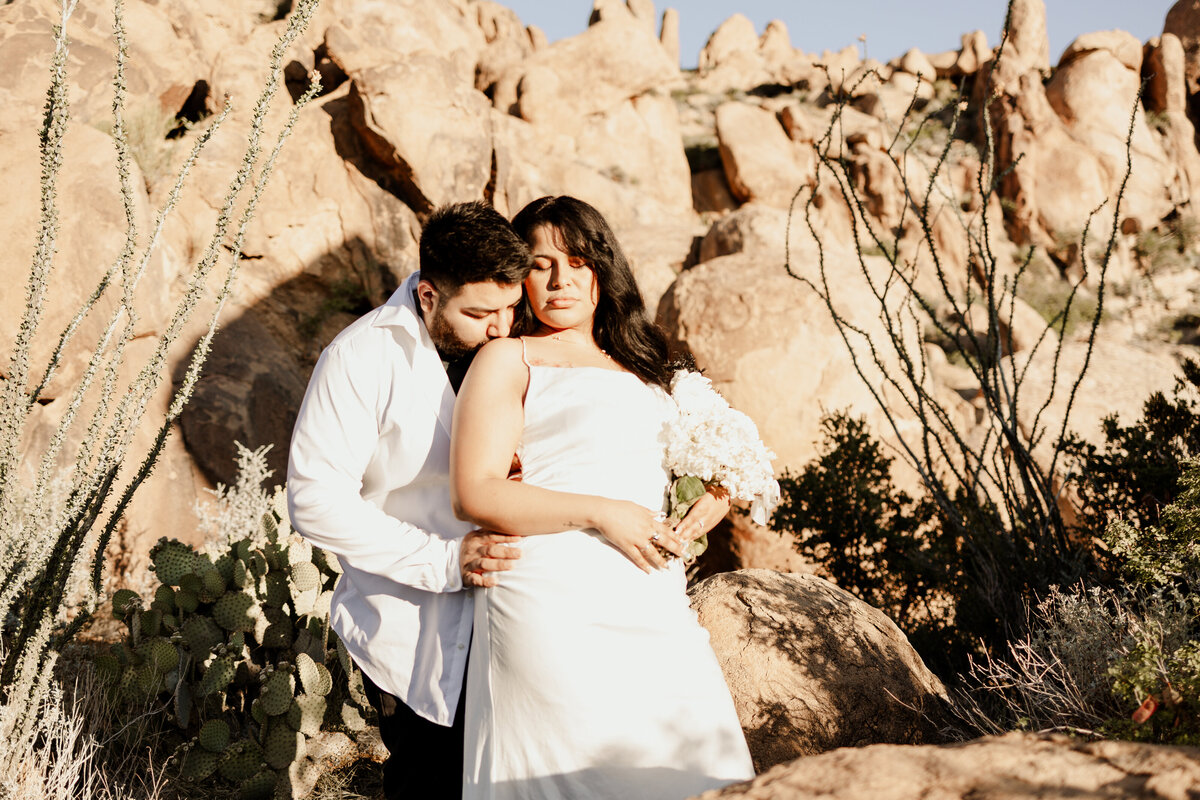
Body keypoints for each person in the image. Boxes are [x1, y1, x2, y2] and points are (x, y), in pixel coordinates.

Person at [451, 196, 756, 799]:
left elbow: (713, 457)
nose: (561, 280)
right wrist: (601, 511)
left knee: (696, 767)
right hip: (547, 601)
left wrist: (716, 494)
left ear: (602, 268)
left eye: (579, 261)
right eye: (541, 265)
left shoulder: (649, 364)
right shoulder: (507, 357)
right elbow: (474, 491)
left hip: (650, 595)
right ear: (520, 278)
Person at [287, 201, 533, 800]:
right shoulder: (359, 358)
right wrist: (445, 562)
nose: (502, 327)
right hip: (410, 618)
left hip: (522, 612)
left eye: (510, 306)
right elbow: (315, 500)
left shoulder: (520, 338)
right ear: (427, 296)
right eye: (480, 313)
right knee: (430, 778)